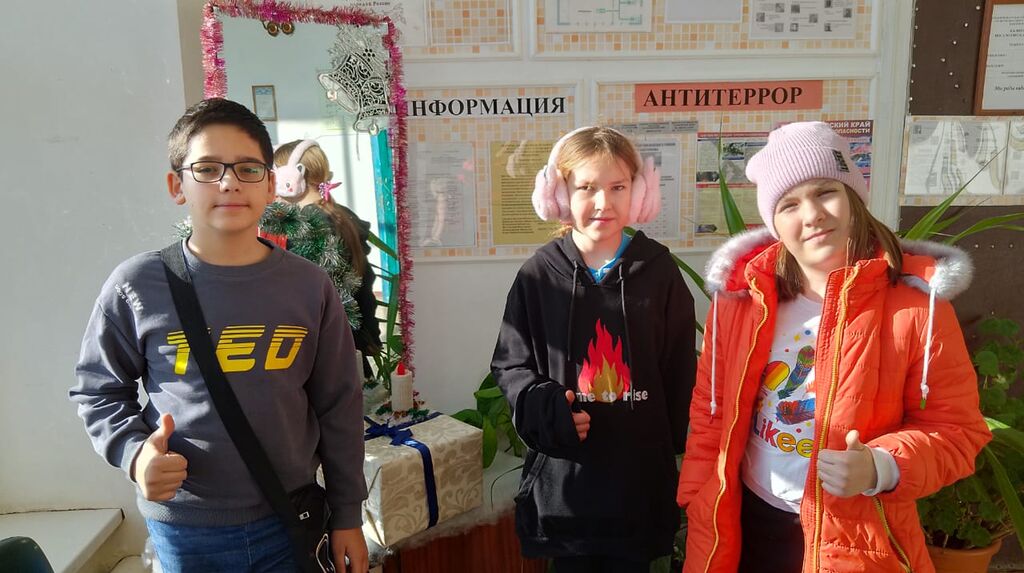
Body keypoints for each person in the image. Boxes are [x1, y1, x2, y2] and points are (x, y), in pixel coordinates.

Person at [70, 98, 369, 573]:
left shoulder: (310, 287)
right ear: (177, 186)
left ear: (270, 185)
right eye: (207, 169)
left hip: (290, 518)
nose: (229, 182)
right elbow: (98, 391)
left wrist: (348, 514)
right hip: (187, 529)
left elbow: (339, 405)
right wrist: (135, 456)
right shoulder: (137, 285)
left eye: (248, 168)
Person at [677, 121, 991, 572]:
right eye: (789, 204)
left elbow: (958, 431)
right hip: (746, 525)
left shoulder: (918, 307)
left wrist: (881, 467)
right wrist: (696, 496)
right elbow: (710, 414)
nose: (811, 215)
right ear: (774, 223)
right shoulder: (741, 302)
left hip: (854, 536)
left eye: (825, 192)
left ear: (854, 199)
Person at [491, 126, 697, 572]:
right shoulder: (538, 276)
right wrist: (547, 407)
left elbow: (680, 368)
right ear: (559, 194)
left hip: (637, 486)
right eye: (586, 187)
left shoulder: (659, 272)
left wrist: (677, 447)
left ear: (638, 192)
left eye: (618, 187)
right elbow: (511, 364)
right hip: (568, 487)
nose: (604, 202)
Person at [272, 139, 382, 362]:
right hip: (351, 342)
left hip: (329, 351)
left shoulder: (309, 226)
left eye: (275, 175)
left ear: (291, 176)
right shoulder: (340, 214)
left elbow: (309, 299)